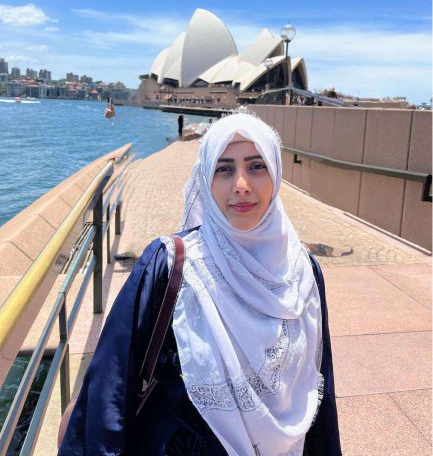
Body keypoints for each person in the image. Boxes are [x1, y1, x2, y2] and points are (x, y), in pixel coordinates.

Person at [58, 111, 341, 456]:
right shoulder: (170, 266)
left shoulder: (304, 274)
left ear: (276, 176)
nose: (241, 184)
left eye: (256, 166)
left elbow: (317, 389)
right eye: (224, 169)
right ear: (205, 179)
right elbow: (111, 390)